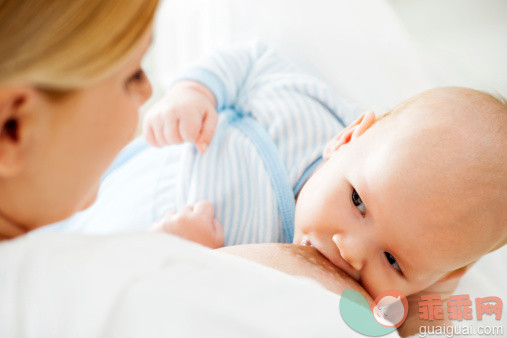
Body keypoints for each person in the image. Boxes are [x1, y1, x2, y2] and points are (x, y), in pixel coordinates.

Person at [0, 1, 388, 337]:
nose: (149, 92)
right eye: (133, 75)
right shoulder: (72, 292)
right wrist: (162, 255)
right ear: (13, 129)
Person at [143, 43, 507, 302]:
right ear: (347, 138)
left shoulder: (314, 298)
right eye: (358, 202)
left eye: (394, 261)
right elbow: (253, 63)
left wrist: (186, 256)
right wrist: (195, 91)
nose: (350, 252)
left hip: (139, 237)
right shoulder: (305, 112)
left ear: (438, 279)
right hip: (147, 162)